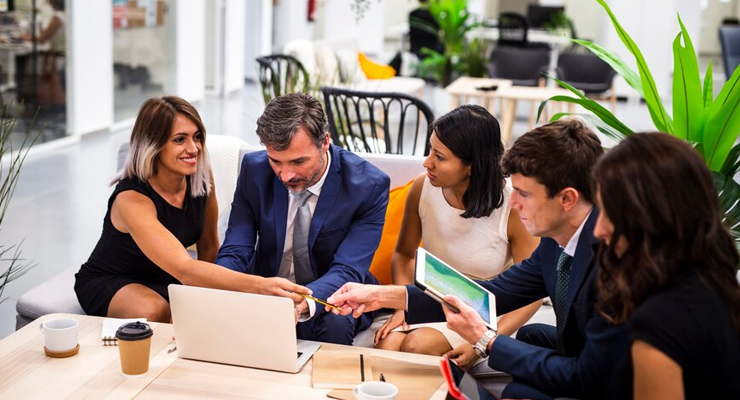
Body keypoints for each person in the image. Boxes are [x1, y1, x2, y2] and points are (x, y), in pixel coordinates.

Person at [327, 119, 630, 399]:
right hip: (578, 357)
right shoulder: (554, 243)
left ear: (567, 199)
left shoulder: (616, 266)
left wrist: (486, 340)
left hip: (604, 384)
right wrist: (381, 296)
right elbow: (491, 292)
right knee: (524, 355)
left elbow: (588, 378)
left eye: (524, 194)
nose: (513, 202)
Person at [75, 96, 310, 322]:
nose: (193, 148)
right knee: (155, 309)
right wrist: (261, 285)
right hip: (114, 279)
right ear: (153, 144)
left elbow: (209, 249)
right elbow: (185, 268)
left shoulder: (201, 178)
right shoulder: (131, 199)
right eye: (179, 140)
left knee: (201, 313)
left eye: (197, 137)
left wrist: (213, 300)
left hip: (168, 279)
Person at [215, 93, 390, 345]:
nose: (285, 175)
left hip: (331, 293)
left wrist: (300, 305)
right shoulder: (254, 170)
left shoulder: (368, 186)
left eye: (298, 161)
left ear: (325, 142)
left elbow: (347, 269)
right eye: (276, 161)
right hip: (266, 287)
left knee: (337, 319)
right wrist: (216, 296)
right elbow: (236, 249)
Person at [375, 105, 541, 368]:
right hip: (429, 298)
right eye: (430, 150)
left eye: (440, 157)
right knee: (386, 348)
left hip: (482, 314)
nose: (427, 162)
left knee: (417, 347)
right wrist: (402, 308)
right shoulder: (422, 186)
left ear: (472, 166)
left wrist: (485, 341)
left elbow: (533, 294)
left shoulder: (512, 206)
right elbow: (404, 255)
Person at [591, 133, 740, 399]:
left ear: (650, 216)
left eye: (609, 212)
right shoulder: (712, 281)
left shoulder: (660, 319)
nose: (598, 230)